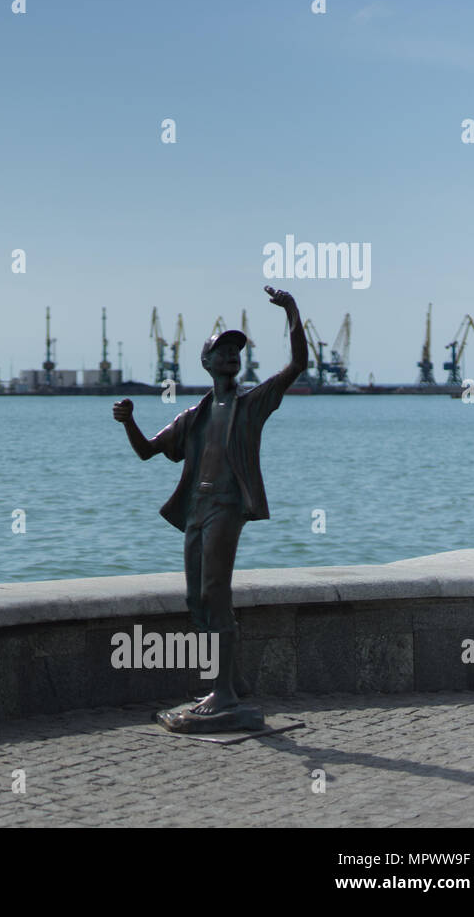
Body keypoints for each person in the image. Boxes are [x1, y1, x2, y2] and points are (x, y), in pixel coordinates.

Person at [112, 285, 307, 717]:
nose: (231, 356)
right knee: (195, 600)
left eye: (236, 351)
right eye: (222, 351)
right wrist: (129, 423)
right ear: (206, 362)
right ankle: (229, 679)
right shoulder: (192, 417)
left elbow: (298, 364)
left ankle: (225, 693)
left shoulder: (252, 403)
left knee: (215, 591)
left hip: (227, 507)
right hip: (196, 510)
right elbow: (147, 450)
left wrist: (291, 309)